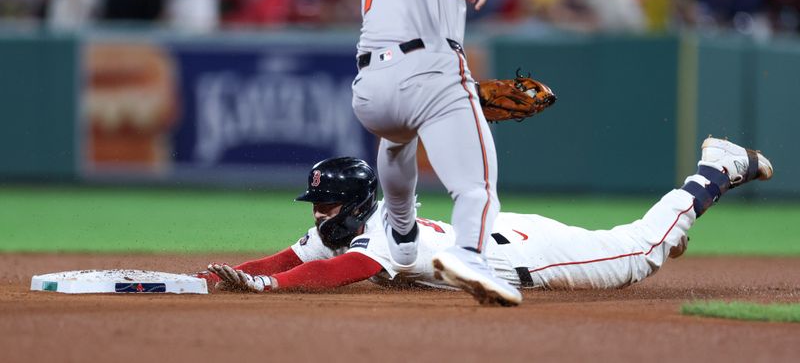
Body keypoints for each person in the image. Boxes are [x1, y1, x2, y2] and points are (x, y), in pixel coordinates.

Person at [201, 137, 773, 303]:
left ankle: (714, 169)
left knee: (635, 253)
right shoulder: (340, 228)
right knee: (632, 246)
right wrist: (227, 275)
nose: (318, 213)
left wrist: (265, 287)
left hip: (527, 257)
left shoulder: (379, 231)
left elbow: (340, 273)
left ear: (352, 206)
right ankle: (677, 224)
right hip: (496, 234)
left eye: (324, 204)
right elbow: (290, 259)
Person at [348, 0, 518, 305]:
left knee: (399, 136)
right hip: (430, 66)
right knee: (476, 187)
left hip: (371, 90)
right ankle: (468, 254)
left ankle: (401, 229)